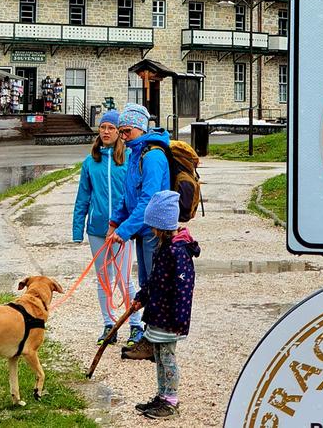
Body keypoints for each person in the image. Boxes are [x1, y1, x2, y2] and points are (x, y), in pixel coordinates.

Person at [72, 110, 144, 347]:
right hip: (97, 229)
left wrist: (130, 225)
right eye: (102, 127)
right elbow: (83, 197)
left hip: (123, 230)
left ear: (119, 132)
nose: (105, 132)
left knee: (124, 279)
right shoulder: (90, 162)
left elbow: (135, 195)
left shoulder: (130, 158)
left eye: (111, 128)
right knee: (103, 279)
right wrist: (77, 229)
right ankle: (109, 324)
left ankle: (135, 324)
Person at [106, 101, 171, 360]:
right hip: (142, 231)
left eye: (126, 132)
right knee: (146, 284)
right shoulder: (136, 154)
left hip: (155, 232)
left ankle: (157, 341)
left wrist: (123, 230)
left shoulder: (153, 156)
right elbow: (127, 194)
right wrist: (115, 221)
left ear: (140, 129)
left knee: (156, 284)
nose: (122, 136)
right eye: (121, 132)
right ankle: (149, 337)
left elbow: (148, 200)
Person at [133, 189, 200, 419]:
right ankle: (162, 396)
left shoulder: (178, 253)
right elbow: (155, 281)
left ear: (161, 226)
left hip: (170, 319)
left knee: (168, 358)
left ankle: (171, 400)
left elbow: (183, 290)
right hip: (158, 316)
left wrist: (179, 321)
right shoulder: (164, 248)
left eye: (153, 227)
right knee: (159, 356)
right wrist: (142, 297)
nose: (151, 231)